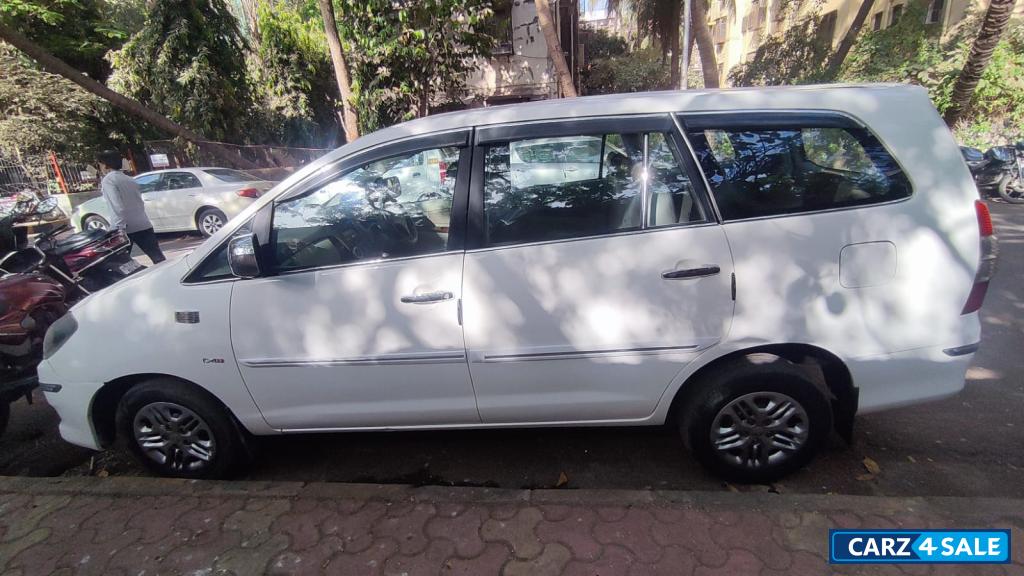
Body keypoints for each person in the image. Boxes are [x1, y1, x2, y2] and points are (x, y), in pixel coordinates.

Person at [97, 150, 165, 264]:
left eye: (100, 164)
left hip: (125, 228)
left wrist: (118, 228)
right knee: (158, 258)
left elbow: (117, 206)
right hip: (143, 223)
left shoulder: (108, 180)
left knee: (121, 263)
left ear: (105, 164)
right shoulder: (129, 179)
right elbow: (139, 201)